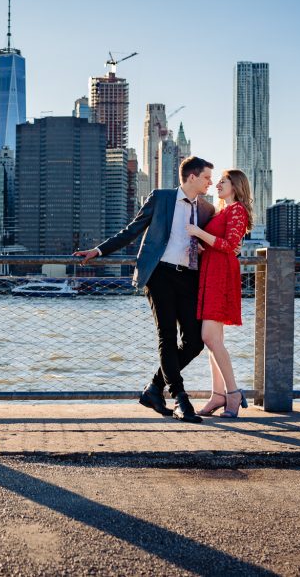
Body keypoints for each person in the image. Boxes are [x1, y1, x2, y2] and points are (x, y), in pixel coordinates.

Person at [73, 156, 216, 423]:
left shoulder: (207, 210)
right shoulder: (161, 198)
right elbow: (132, 230)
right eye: (207, 177)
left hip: (189, 279)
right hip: (159, 274)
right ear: (192, 177)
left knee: (195, 341)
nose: (210, 182)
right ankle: (181, 399)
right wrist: (99, 250)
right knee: (167, 336)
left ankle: (154, 388)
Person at [184, 169, 253, 418]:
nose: (217, 185)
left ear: (235, 185)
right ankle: (218, 395)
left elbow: (230, 246)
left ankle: (232, 393)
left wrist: (198, 232)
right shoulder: (222, 211)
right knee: (214, 340)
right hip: (210, 273)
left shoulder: (238, 210)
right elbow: (217, 243)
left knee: (210, 338)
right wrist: (202, 247)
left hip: (221, 276)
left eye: (222, 181)